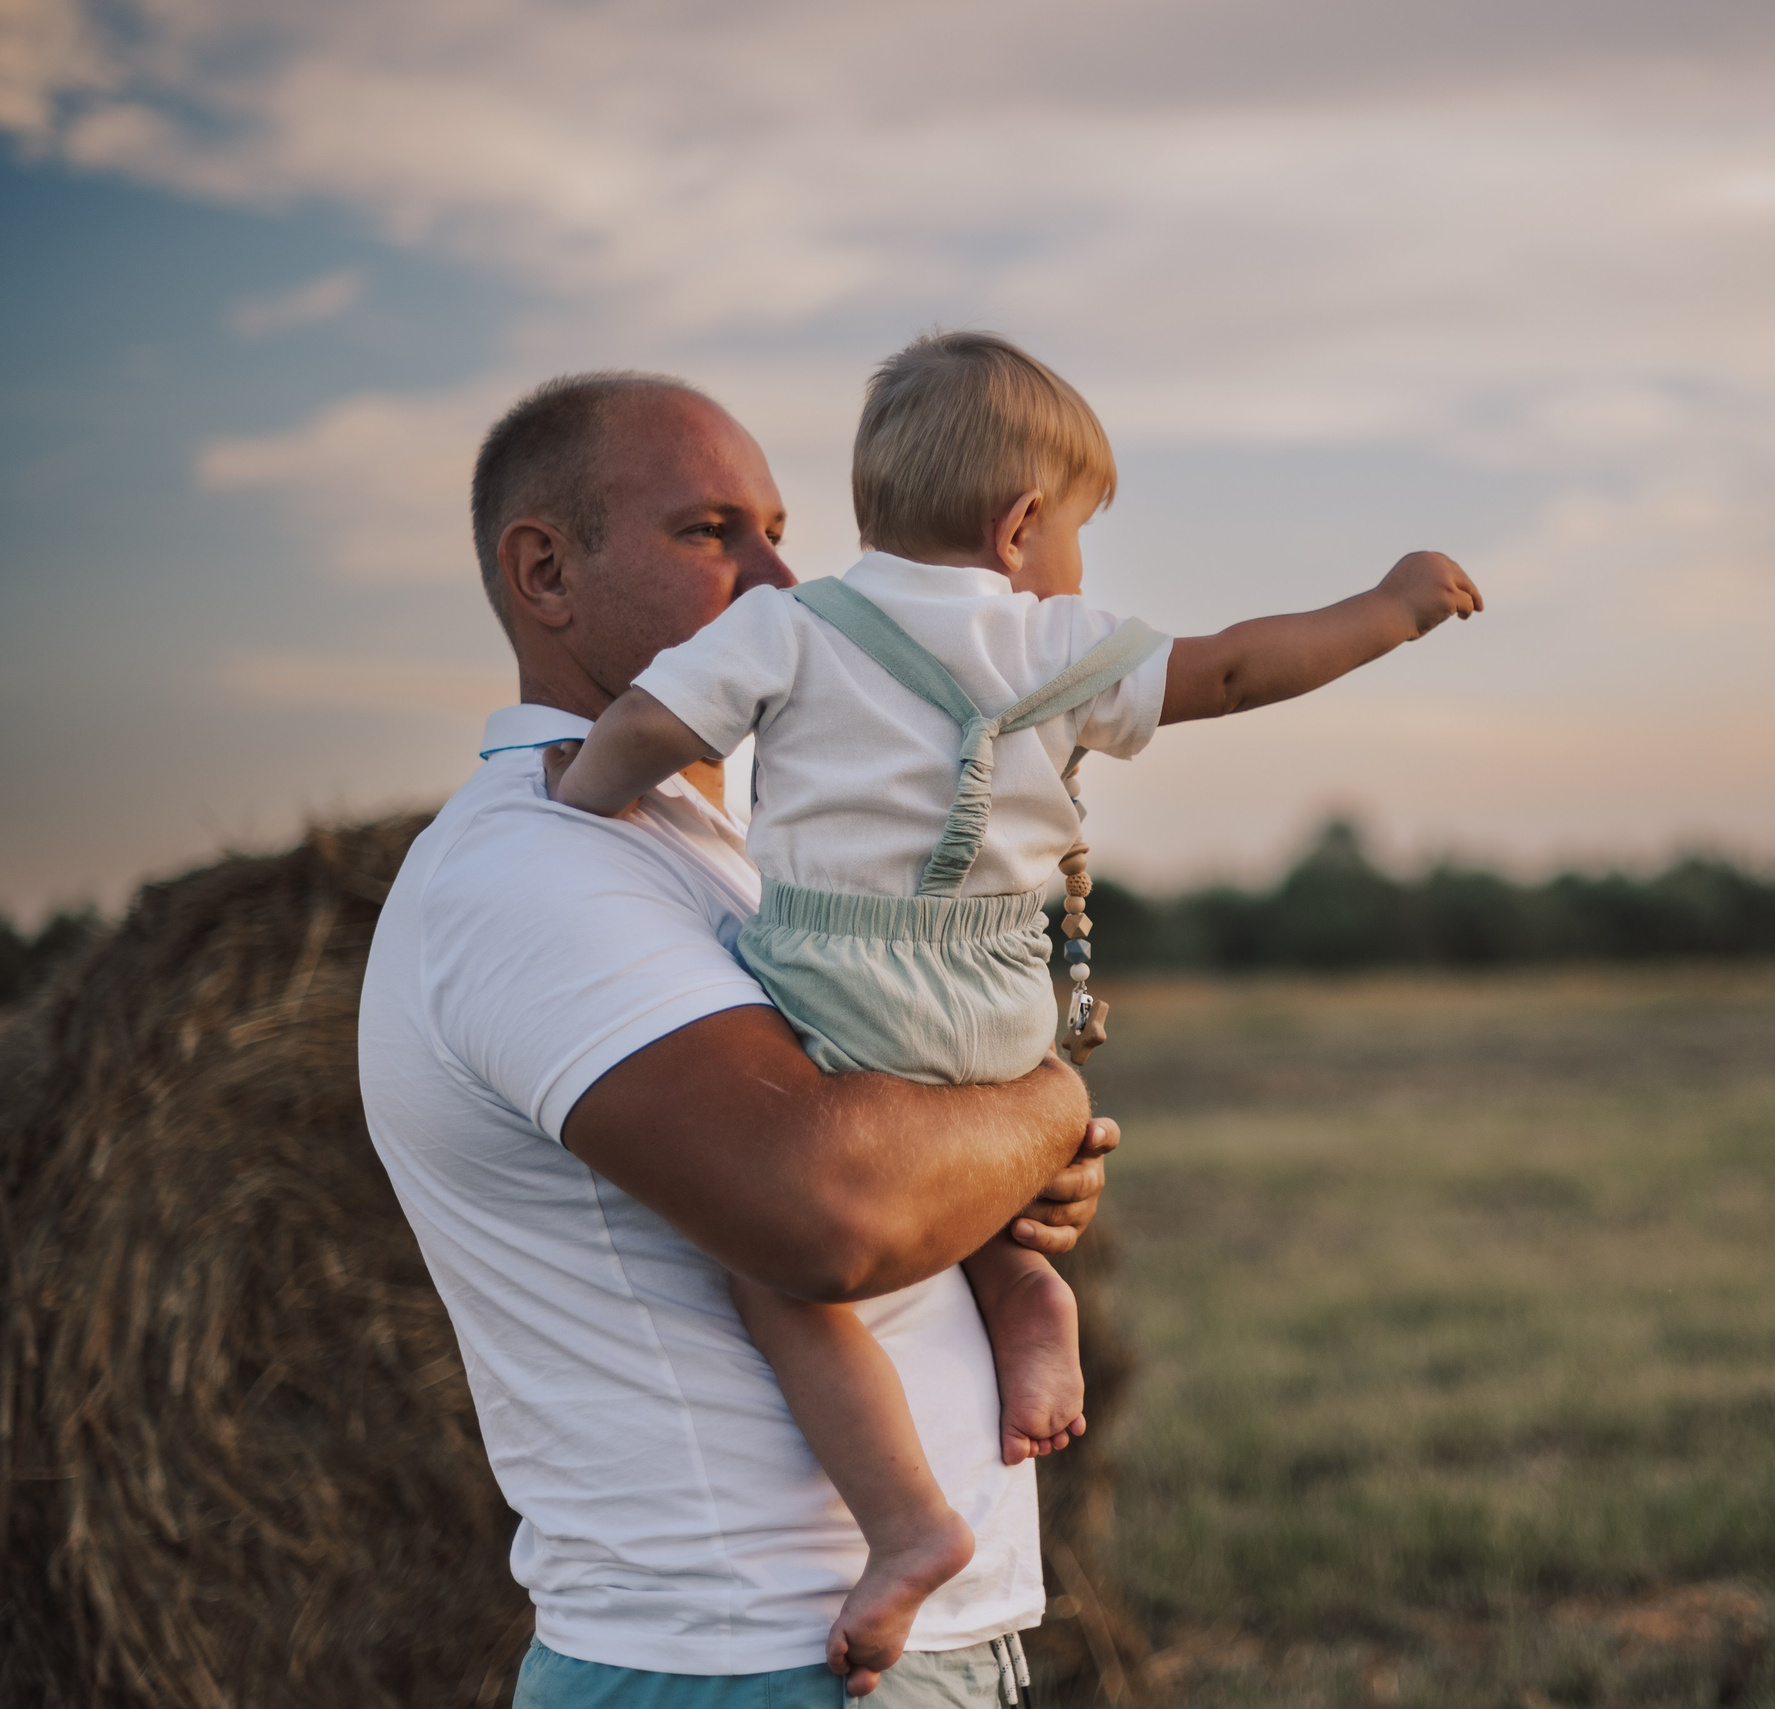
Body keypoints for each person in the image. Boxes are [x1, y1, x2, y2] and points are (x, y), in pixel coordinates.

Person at [550, 330, 1485, 1685]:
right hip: (1002, 1003)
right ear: (1022, 525)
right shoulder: (1060, 639)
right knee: (955, 1157)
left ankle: (904, 1518)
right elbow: (1234, 667)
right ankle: (1019, 1278)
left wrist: (579, 798)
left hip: (837, 983)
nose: (1081, 561)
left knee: (773, 1259)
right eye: (1084, 530)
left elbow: (653, 728)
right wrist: (1388, 608)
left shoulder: (794, 622)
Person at [359, 370, 1114, 1709]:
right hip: (746, 1660)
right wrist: (1044, 1103)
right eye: (712, 532)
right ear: (545, 573)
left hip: (876, 1654)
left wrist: (1002, 1171)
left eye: (779, 528)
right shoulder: (534, 870)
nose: (782, 576)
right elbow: (829, 1209)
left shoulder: (742, 859)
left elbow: (898, 1141)